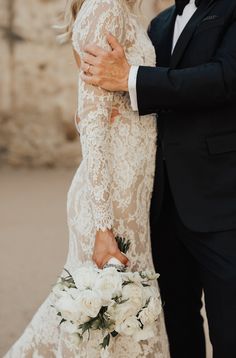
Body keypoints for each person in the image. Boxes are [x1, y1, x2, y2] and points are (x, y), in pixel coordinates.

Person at [4, 0, 170, 357]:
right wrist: (102, 226)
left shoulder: (126, 11)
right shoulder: (104, 7)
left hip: (132, 195)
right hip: (110, 199)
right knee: (107, 317)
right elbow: (92, 118)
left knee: (119, 316)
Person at [78, 0, 236, 357]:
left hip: (222, 200)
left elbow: (225, 77)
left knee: (230, 330)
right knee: (175, 327)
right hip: (160, 202)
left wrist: (130, 77)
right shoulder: (160, 23)